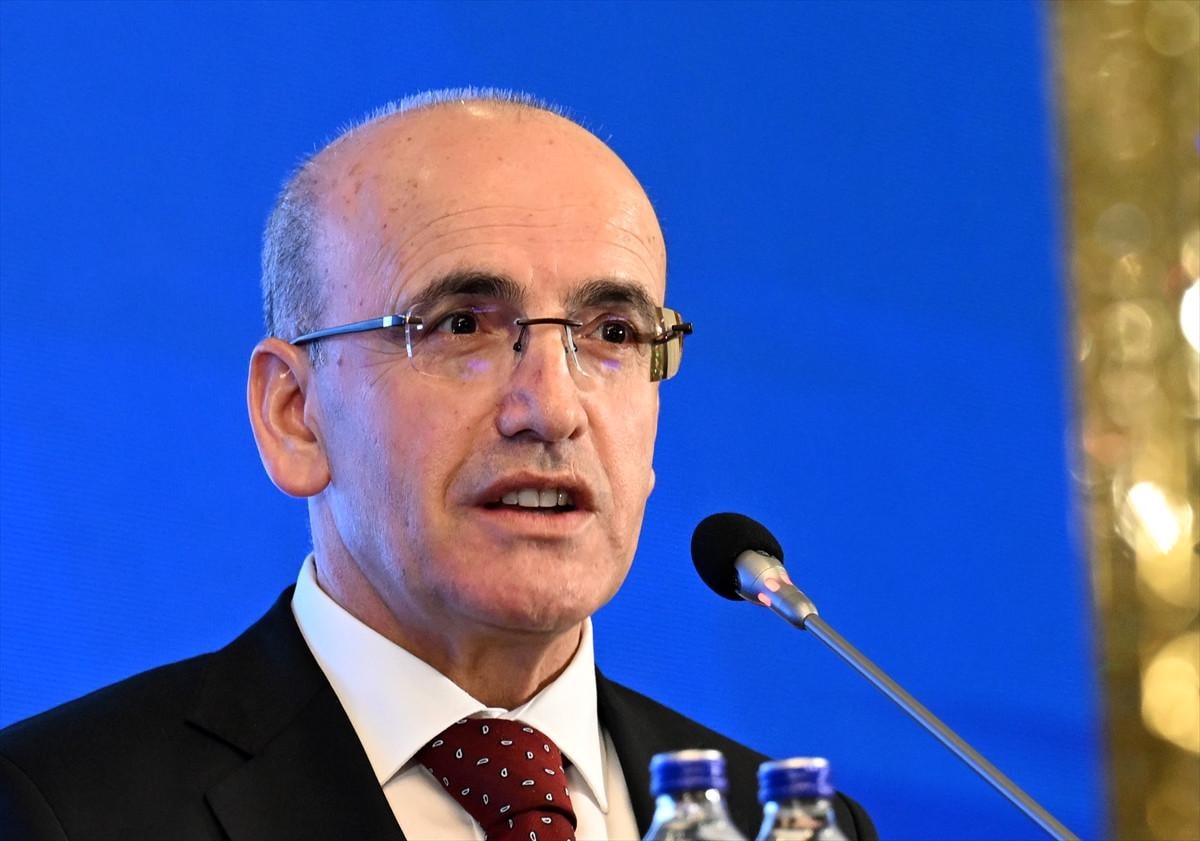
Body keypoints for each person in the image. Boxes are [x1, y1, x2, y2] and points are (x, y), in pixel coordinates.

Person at [0, 89, 875, 840]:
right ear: (294, 414)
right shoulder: (61, 809)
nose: (553, 408)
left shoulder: (794, 821)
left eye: (613, 332)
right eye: (462, 325)